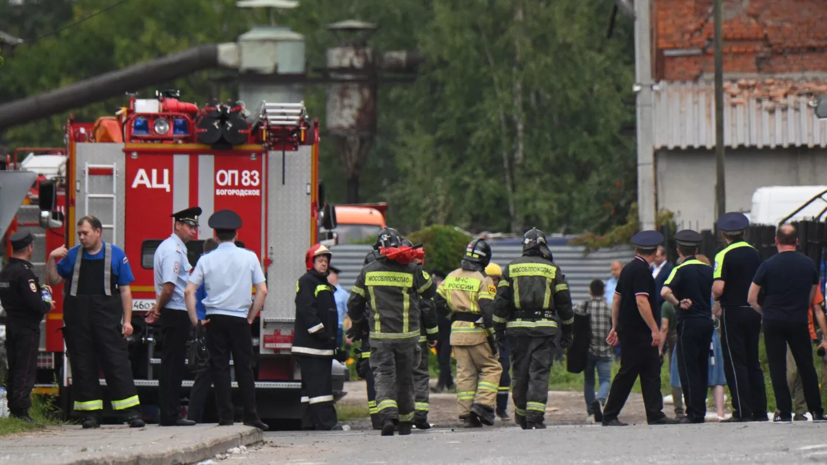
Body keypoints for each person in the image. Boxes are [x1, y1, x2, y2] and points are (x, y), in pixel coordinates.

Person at [46, 216, 144, 428]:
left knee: (116, 363)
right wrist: (52, 259)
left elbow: (125, 291)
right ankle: (90, 415)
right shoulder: (72, 255)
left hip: (106, 321)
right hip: (78, 322)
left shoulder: (115, 254)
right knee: (82, 365)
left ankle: (130, 413)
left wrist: (127, 322)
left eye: (85, 233)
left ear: (98, 232)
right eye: (79, 234)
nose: (81, 237)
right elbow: (53, 280)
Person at [184, 210, 268, 430]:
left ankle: (226, 416)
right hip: (239, 319)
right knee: (244, 368)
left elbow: (188, 291)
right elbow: (262, 291)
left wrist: (195, 320)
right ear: (236, 234)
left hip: (215, 319)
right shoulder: (249, 257)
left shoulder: (206, 259)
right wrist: (250, 316)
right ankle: (250, 415)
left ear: (215, 234)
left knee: (219, 367)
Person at [347, 227, 435, 436]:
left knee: (384, 376)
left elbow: (354, 304)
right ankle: (405, 422)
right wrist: (416, 263)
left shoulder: (368, 271)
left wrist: (359, 323)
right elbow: (429, 291)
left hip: (380, 337)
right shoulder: (411, 270)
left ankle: (388, 416)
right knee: (405, 379)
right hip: (407, 337)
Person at [493, 227, 573, 430]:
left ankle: (521, 415)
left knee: (520, 373)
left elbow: (500, 302)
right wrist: (568, 330)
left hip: (518, 329)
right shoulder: (552, 269)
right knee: (539, 372)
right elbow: (564, 303)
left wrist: (498, 330)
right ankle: (535, 417)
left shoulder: (511, 268)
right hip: (545, 329)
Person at [748, 224, 827, 423]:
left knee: (777, 366)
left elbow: (751, 297)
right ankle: (816, 410)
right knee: (806, 365)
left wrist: (765, 312)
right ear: (796, 242)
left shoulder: (767, 265)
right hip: (798, 319)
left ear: (776, 241)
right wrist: (800, 307)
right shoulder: (808, 264)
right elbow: (812, 295)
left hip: (773, 320)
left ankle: (783, 412)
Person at [599, 230, 676, 427]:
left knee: (651, 369)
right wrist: (654, 329)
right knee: (628, 372)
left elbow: (617, 299)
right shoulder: (642, 271)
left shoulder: (627, 269)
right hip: (639, 331)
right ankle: (609, 414)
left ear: (637, 250)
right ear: (655, 252)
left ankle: (655, 413)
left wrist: (615, 326)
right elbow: (642, 302)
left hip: (629, 329)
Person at [435, 239, 502, 428]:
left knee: (465, 373)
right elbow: (487, 308)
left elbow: (437, 301)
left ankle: (466, 414)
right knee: (492, 367)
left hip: (457, 331)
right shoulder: (483, 279)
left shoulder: (451, 276)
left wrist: (453, 315)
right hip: (477, 330)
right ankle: (482, 405)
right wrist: (493, 335)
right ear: (485, 258)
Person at [147, 206, 201, 427]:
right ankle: (170, 415)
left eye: (195, 227)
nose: (193, 231)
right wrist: (158, 308)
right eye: (189, 226)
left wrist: (157, 306)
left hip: (174, 310)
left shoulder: (174, 248)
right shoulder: (173, 251)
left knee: (173, 363)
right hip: (176, 311)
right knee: (173, 364)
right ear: (178, 225)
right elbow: (169, 288)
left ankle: (170, 413)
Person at [712, 212, 767, 422]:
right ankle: (760, 410)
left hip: (733, 311)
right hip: (753, 310)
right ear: (744, 232)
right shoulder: (755, 253)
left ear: (724, 234)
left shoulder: (723, 255)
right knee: (753, 360)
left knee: (735, 361)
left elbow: (718, 288)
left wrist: (715, 295)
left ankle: (742, 411)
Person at [660, 230, 714, 424]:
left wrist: (678, 303)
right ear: (697, 249)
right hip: (706, 322)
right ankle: (701, 410)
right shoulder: (708, 270)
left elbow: (665, 292)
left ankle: (693, 412)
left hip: (689, 322)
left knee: (687, 367)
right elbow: (717, 292)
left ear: (678, 250)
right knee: (702, 366)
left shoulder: (679, 270)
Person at [0, 232, 53, 422]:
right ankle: (21, 410)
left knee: (14, 366)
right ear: (30, 248)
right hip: (26, 326)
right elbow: (34, 303)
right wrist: (47, 304)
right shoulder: (25, 274)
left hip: (11, 323)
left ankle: (13, 406)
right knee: (25, 367)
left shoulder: (6, 271)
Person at [292, 244, 342, 431]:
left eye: (326, 261)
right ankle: (327, 423)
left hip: (319, 345)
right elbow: (306, 310)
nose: (324, 264)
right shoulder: (307, 281)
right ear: (311, 263)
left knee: (310, 388)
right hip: (313, 345)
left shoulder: (322, 283)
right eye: (320, 261)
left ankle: (309, 422)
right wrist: (321, 333)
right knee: (321, 386)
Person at [401, 238, 439, 431]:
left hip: (399, 335)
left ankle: (402, 414)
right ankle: (420, 415)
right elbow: (427, 306)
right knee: (420, 375)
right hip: (419, 336)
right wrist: (433, 334)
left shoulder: (396, 273)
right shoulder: (418, 275)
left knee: (401, 375)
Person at [782, 286, 827, 421]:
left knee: (804, 373)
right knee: (791, 372)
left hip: (807, 332)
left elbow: (817, 309)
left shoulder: (811, 283)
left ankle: (800, 410)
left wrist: (825, 337)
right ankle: (782, 408)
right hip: (789, 329)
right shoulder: (786, 280)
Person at [187, 237, 218, 423]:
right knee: (210, 372)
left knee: (204, 374)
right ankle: (197, 416)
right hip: (210, 323)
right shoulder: (211, 269)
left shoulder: (197, 270)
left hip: (200, 324)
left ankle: (195, 415)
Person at [573, 279, 613, 423]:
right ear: (604, 292)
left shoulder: (581, 306)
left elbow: (572, 323)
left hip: (587, 351)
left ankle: (591, 411)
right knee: (605, 380)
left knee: (589, 381)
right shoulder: (609, 308)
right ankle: (600, 400)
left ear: (590, 291)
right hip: (605, 350)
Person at [695, 254, 727, 422]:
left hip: (696, 330)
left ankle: (696, 409)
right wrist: (711, 314)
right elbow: (719, 306)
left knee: (695, 372)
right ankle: (720, 412)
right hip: (712, 331)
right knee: (716, 374)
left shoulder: (693, 285)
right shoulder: (712, 285)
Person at [485, 262, 511, 420]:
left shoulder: (504, 294)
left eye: (496, 279)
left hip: (502, 337)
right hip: (484, 337)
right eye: (490, 279)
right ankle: (487, 406)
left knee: (504, 372)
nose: (493, 283)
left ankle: (501, 408)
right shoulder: (482, 293)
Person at [660, 289, 685, 421]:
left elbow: (664, 328)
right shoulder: (688, 301)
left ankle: (679, 410)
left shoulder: (667, 305)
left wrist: (659, 348)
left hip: (674, 341)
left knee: (675, 374)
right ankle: (694, 405)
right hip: (690, 336)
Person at [432, 268, 453, 393]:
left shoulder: (448, 293)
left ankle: (441, 385)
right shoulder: (432, 295)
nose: (437, 283)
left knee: (444, 358)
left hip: (448, 329)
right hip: (437, 331)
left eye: (438, 280)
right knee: (441, 357)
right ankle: (450, 383)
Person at [606, 261, 623, 360]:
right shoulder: (609, 283)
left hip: (621, 313)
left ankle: (620, 357)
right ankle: (614, 358)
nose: (613, 272)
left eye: (616, 269)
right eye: (612, 270)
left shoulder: (625, 281)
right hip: (610, 314)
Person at [328, 266, 349, 348]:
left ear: (335, 275)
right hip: (324, 329)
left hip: (337, 329)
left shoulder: (343, 294)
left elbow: (350, 314)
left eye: (329, 273)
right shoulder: (323, 291)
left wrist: (349, 332)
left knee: (336, 351)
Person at [653, 246, 673, 310]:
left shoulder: (669, 269)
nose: (654, 259)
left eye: (657, 257)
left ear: (664, 256)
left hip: (662, 304)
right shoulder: (651, 268)